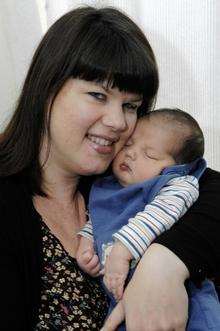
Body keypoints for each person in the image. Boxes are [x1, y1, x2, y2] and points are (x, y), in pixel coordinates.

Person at [0, 5, 219, 331]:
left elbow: (207, 183)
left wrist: (165, 262)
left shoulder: (121, 178)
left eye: (130, 105)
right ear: (46, 88)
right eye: (97, 95)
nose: (118, 123)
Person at [77, 108, 220, 330]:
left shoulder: (175, 186)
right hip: (122, 299)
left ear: (176, 168)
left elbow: (162, 211)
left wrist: (124, 248)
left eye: (150, 154)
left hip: (185, 302)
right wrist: (86, 242)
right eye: (128, 144)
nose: (131, 153)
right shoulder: (106, 187)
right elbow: (99, 217)